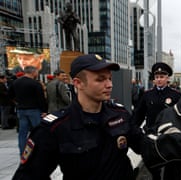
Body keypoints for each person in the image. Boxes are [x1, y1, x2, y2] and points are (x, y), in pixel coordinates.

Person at [12, 54, 143, 180]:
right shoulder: (55, 128)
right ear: (78, 83)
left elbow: (144, 146)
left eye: (110, 78)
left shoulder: (120, 114)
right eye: (100, 79)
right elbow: (28, 175)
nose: (109, 85)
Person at [133, 62, 181, 180]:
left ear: (167, 78)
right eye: (157, 77)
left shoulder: (175, 95)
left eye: (162, 77)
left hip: (169, 136)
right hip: (152, 136)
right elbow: (138, 115)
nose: (159, 79)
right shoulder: (147, 95)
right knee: (153, 167)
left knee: (170, 167)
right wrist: (134, 131)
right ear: (154, 79)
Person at [8, 66, 48, 155]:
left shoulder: (16, 82)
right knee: (38, 131)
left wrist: (17, 102)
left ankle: (23, 152)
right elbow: (41, 99)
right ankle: (40, 150)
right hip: (34, 110)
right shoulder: (35, 84)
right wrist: (44, 111)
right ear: (33, 72)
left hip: (21, 109)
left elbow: (10, 95)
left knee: (23, 132)